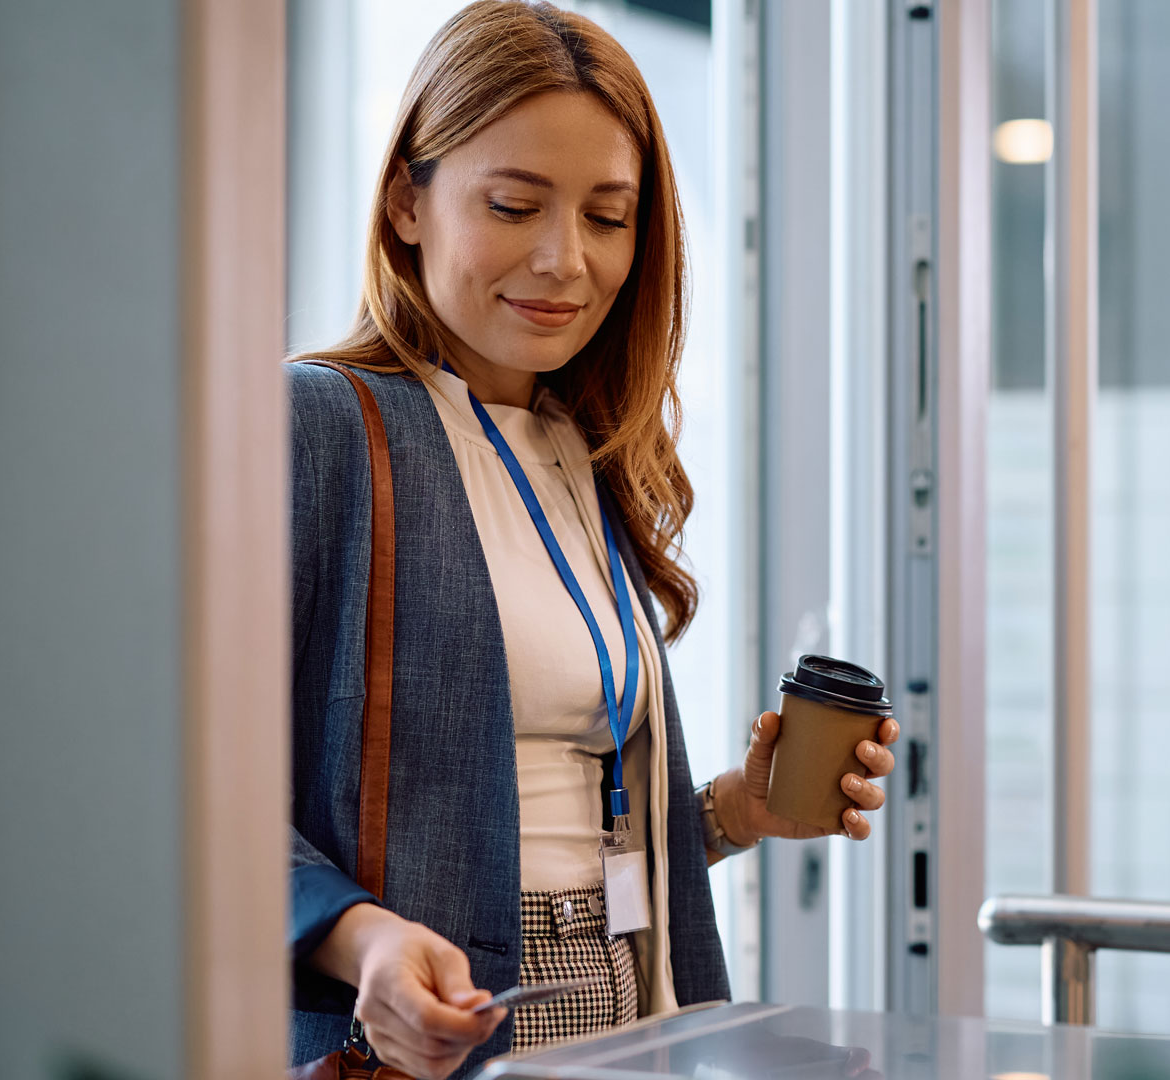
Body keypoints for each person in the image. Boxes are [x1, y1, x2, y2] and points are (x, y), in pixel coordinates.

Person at [285, 4, 898, 1077]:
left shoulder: (579, 448)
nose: (565, 260)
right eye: (514, 205)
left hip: (628, 1006)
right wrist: (360, 937)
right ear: (406, 202)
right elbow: (187, 791)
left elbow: (556, 823)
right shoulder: (322, 424)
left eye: (609, 217)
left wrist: (733, 812)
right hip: (432, 1023)